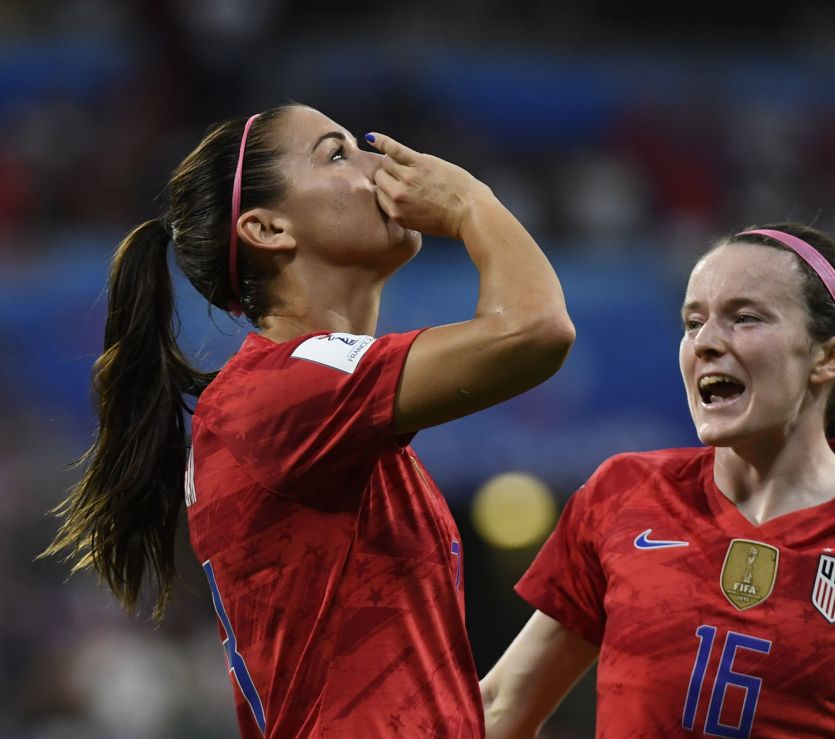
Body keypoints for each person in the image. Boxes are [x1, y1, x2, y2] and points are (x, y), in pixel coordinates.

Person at [43, 104, 575, 738]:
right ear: (267, 228)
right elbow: (534, 330)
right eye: (338, 154)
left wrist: (581, 601)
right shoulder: (279, 392)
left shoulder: (322, 407)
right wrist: (471, 204)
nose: (381, 164)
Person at [481, 224, 835, 738]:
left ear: (827, 357)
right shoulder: (621, 494)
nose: (706, 343)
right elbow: (503, 706)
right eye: (693, 322)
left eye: (745, 318)